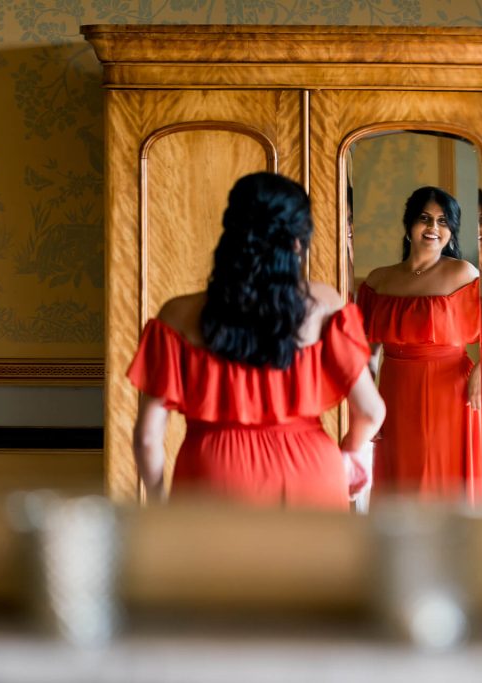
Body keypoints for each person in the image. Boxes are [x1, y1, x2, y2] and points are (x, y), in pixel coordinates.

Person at [127, 172, 385, 509]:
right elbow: (370, 410)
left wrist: (159, 505)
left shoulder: (177, 315)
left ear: (232, 230)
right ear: (297, 240)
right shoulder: (326, 305)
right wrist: (350, 452)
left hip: (214, 475)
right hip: (313, 473)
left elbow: (148, 438)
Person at [356, 186, 482, 505]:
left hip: (451, 391)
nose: (433, 228)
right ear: (409, 223)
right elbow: (362, 351)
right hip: (394, 389)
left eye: (443, 221)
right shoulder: (378, 280)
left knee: (443, 479)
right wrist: (365, 404)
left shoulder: (463, 274)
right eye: (425, 219)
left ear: (451, 231)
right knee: (400, 479)